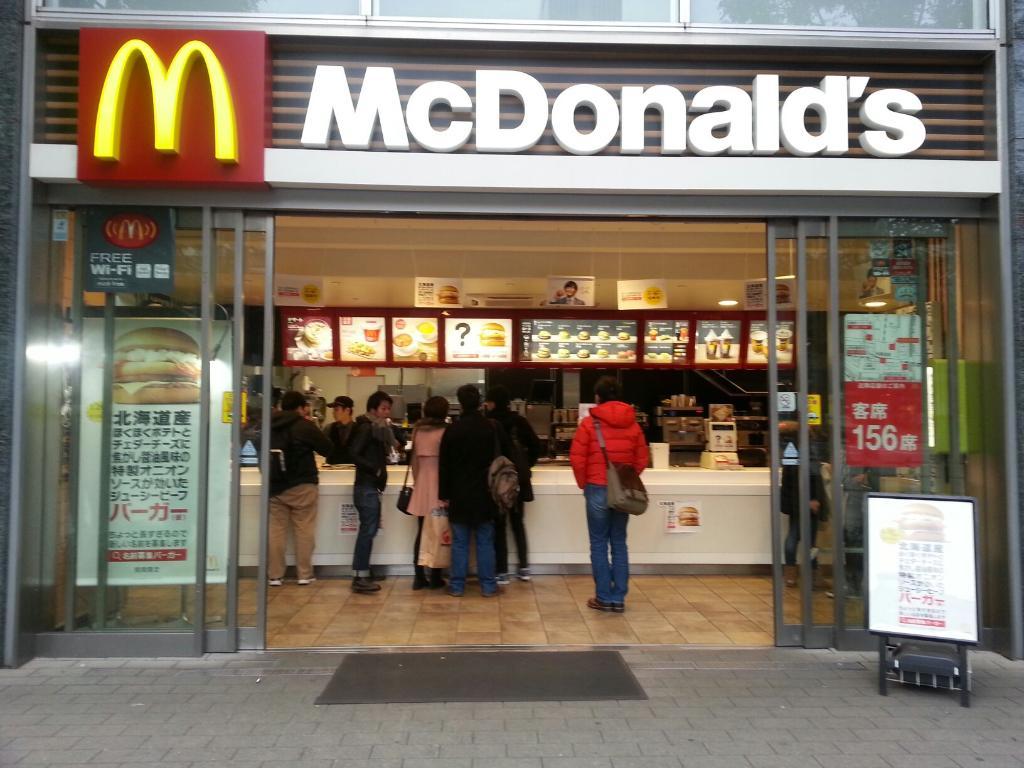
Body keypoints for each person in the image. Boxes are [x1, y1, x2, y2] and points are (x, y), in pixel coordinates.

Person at [569, 376, 648, 613]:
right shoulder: (633, 424)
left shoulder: (588, 424)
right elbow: (642, 460)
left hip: (596, 488)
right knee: (619, 542)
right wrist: (624, 478)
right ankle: (618, 598)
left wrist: (585, 484)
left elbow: (577, 458)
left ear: (597, 397)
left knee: (599, 542)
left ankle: (603, 596)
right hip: (621, 492)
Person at [439, 384, 514, 598]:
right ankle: (489, 586)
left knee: (460, 542)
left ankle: (457, 586)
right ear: (480, 401)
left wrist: (444, 494)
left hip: (459, 493)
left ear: (460, 403)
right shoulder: (492, 426)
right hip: (487, 493)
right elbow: (506, 457)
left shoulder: (452, 429)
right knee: (485, 541)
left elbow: (444, 464)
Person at [267, 391, 333, 587]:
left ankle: (275, 575)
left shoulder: (269, 425)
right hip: (303, 484)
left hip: (276, 485)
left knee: (276, 531)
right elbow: (328, 449)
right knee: (304, 529)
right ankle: (304, 574)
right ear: (301, 407)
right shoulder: (304, 426)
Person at [485, 385, 542, 584]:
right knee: (518, 524)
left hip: (496, 482)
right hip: (517, 480)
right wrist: (526, 464)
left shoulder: (488, 423)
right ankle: (524, 567)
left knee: (499, 525)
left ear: (492, 403)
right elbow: (537, 447)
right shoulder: (519, 421)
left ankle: (501, 572)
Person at [347, 390, 397, 593]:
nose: (386, 413)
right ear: (373, 409)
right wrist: (375, 469)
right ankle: (359, 575)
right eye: (383, 409)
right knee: (368, 531)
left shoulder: (377, 428)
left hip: (369, 486)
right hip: (366, 486)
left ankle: (364, 570)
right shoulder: (367, 428)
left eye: (388, 409)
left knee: (370, 530)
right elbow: (354, 453)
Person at [408, 395, 450, 590]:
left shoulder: (417, 430)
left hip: (422, 482)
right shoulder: (445, 431)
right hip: (439, 483)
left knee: (421, 531)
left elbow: (414, 462)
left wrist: (418, 482)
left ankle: (418, 576)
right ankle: (435, 576)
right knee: (439, 530)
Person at [779, 422, 826, 588]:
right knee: (808, 538)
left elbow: (790, 476)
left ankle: (791, 574)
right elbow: (811, 476)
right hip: (805, 499)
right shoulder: (806, 449)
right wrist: (811, 498)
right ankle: (813, 576)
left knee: (794, 534)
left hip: (794, 499)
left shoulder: (791, 449)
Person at [322, 395, 355, 464]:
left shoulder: (359, 429)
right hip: (333, 471)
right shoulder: (329, 428)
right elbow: (323, 449)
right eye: (333, 410)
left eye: (336, 409)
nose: (333, 412)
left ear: (347, 410)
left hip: (354, 471)